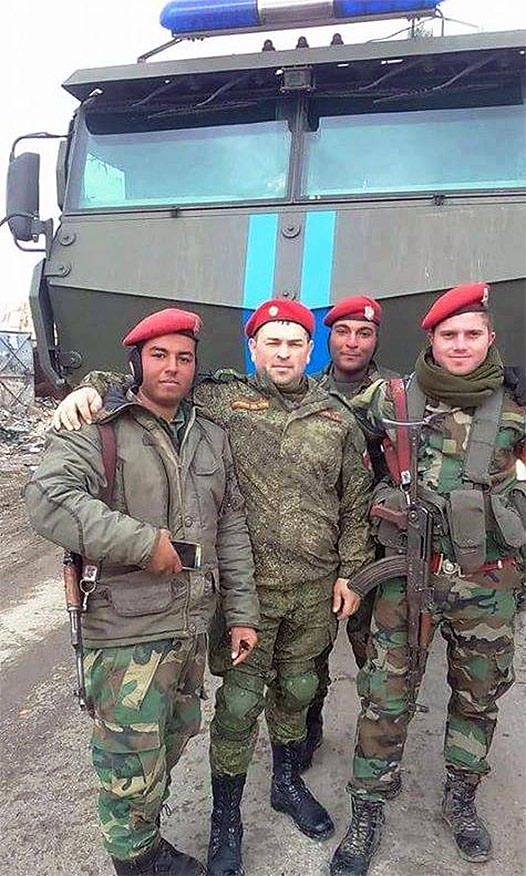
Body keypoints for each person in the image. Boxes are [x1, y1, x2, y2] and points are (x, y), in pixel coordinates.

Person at [52, 297, 374, 876]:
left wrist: (351, 570)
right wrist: (89, 387)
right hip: (246, 590)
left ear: (310, 350)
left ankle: (285, 783)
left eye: (294, 343)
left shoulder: (337, 418)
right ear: (253, 349)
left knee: (299, 690)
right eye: (272, 343)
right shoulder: (221, 399)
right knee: (239, 704)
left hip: (313, 588)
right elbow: (150, 381)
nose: (283, 353)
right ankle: (227, 817)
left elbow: (355, 501)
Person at [25, 308, 260, 876]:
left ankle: (145, 842)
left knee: (172, 740)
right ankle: (135, 861)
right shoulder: (99, 427)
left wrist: (241, 614)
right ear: (135, 363)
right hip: (126, 632)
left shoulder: (211, 436)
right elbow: (48, 498)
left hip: (190, 627)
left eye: (184, 358)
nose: (172, 367)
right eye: (159, 355)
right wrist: (143, 544)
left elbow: (229, 527)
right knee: (127, 763)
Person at [329, 283, 526, 876]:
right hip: (406, 576)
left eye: (472, 334)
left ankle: (461, 796)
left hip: (486, 584)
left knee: (478, 696)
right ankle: (368, 807)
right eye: (448, 335)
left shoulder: (515, 406)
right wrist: (104, 387)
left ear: (491, 338)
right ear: (431, 340)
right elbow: (305, 412)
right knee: (384, 697)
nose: (460, 345)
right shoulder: (390, 399)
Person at [300, 296, 398, 771]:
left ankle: (375, 744)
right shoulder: (307, 391)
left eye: (364, 333)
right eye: (343, 332)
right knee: (310, 649)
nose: (353, 342)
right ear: (329, 337)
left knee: (375, 650)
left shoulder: (398, 393)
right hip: (317, 537)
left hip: (376, 542)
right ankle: (308, 728)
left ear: (376, 340)